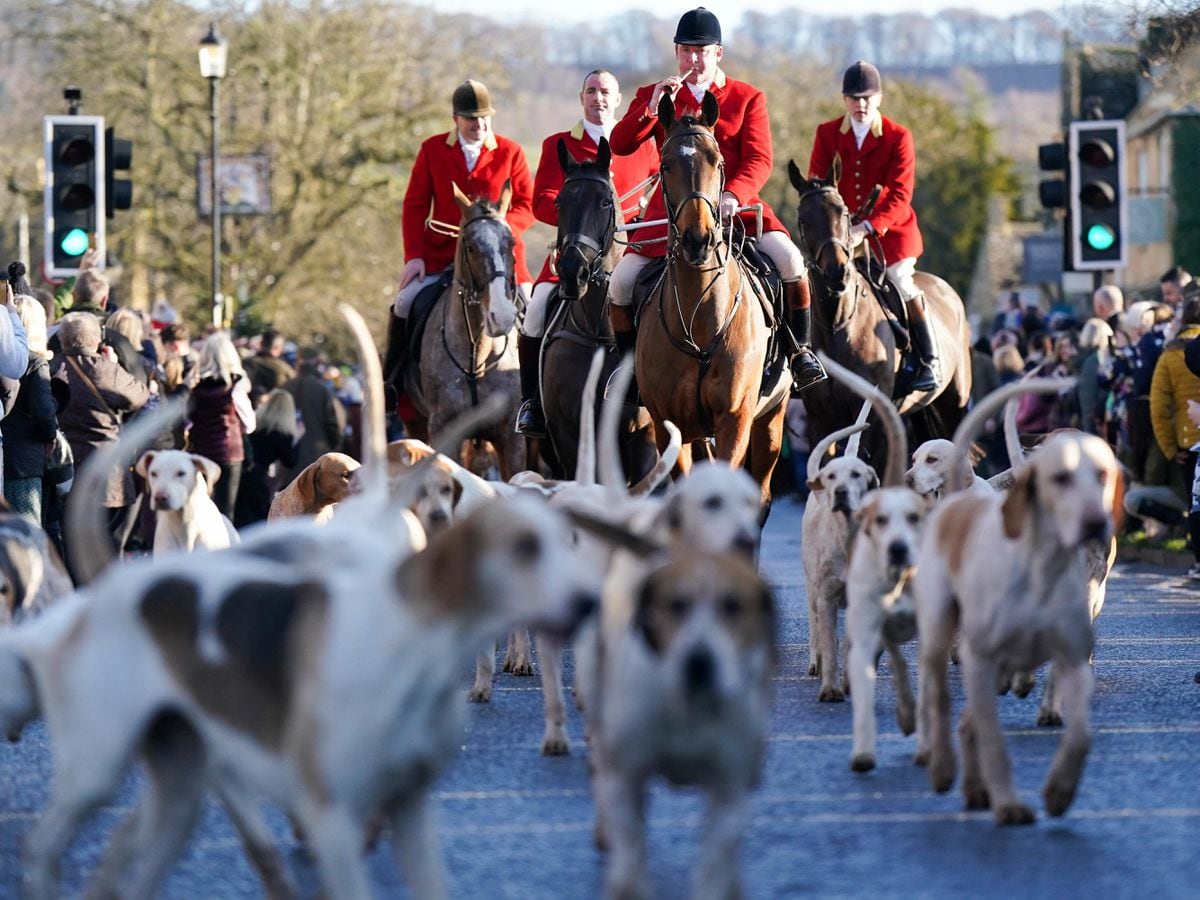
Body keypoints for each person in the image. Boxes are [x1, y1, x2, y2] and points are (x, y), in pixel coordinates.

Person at [608, 7, 825, 393]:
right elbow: (621, 144)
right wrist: (650, 104)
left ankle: (799, 352)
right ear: (676, 52)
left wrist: (732, 195)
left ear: (717, 54)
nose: (694, 59)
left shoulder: (746, 97)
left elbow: (760, 159)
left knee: (792, 263)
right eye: (687, 51)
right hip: (672, 215)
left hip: (736, 211)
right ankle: (629, 374)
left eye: (702, 51)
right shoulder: (656, 96)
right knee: (621, 284)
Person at [514, 69, 660, 436]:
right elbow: (541, 200)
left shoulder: (643, 144)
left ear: (618, 100)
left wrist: (642, 209)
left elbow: (661, 190)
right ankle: (531, 403)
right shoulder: (558, 144)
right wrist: (575, 213)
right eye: (591, 91)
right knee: (534, 310)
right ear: (582, 98)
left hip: (633, 253)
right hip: (576, 255)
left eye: (605, 92)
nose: (598, 98)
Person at [385, 79, 535, 394]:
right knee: (404, 301)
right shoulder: (432, 150)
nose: (479, 124)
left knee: (534, 307)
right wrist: (414, 256)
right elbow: (414, 206)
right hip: (440, 254)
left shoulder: (510, 151)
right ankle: (393, 383)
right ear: (456, 119)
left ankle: (536, 392)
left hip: (497, 258)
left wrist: (498, 229)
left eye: (484, 118)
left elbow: (527, 204)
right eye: (471, 119)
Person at [808, 60, 936, 392]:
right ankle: (805, 357)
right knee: (817, 282)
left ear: (878, 98)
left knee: (900, 281)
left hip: (891, 234)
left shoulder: (898, 137)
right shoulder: (827, 134)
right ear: (844, 100)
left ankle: (927, 360)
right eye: (854, 98)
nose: (861, 105)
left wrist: (866, 227)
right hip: (841, 235)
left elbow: (901, 195)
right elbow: (818, 186)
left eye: (867, 98)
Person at [54, 311, 149, 569]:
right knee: (107, 547)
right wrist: (114, 364)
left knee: (71, 547)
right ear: (96, 340)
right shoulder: (106, 371)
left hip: (63, 474)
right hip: (107, 477)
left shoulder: (53, 368)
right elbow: (141, 396)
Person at [1, 295, 59, 523]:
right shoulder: (36, 363)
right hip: (24, 463)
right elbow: (43, 413)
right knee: (26, 537)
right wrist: (51, 434)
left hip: (6, 453)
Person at [187, 332, 255, 518]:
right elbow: (250, 424)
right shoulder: (236, 387)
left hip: (200, 451)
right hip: (229, 453)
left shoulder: (194, 387)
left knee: (199, 508)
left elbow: (186, 420)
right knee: (225, 510)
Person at [234, 388, 300, 528]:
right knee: (256, 521)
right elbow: (290, 461)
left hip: (239, 472)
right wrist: (298, 439)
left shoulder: (255, 424)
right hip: (258, 479)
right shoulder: (282, 433)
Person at [283, 347, 344, 481]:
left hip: (288, 462)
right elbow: (333, 424)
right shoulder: (323, 389)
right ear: (317, 363)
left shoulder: (285, 387)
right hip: (317, 458)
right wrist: (335, 446)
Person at [243, 327, 296, 406]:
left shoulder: (246, 363)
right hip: (275, 414)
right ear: (279, 348)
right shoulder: (285, 370)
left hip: (248, 412)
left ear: (261, 344)